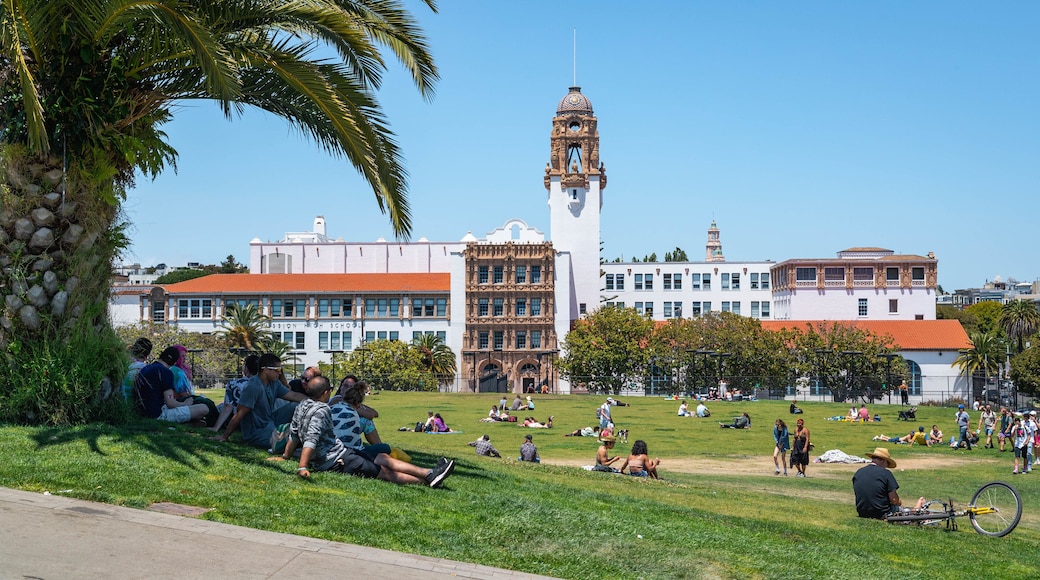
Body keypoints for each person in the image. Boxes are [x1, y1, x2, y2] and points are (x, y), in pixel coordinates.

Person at [271, 376, 455, 487]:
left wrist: (287, 455)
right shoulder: (322, 410)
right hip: (337, 460)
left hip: (344, 452)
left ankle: (429, 473)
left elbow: (294, 433)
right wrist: (302, 466)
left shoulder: (302, 405)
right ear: (327, 392)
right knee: (383, 471)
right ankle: (427, 480)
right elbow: (311, 438)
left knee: (382, 457)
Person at [216, 353, 306, 448]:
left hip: (270, 421)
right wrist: (224, 437)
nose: (280, 373)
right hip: (256, 432)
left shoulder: (274, 383)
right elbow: (239, 414)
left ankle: (290, 434)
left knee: (297, 405)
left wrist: (315, 402)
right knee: (288, 441)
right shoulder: (253, 387)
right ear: (266, 370)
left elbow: (294, 395)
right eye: (277, 370)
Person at [133, 346, 213, 424]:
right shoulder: (166, 372)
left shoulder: (146, 368)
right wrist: (185, 404)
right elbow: (170, 402)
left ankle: (193, 421)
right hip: (158, 415)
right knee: (204, 408)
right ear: (174, 362)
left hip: (142, 412)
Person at [852, 447, 925, 519]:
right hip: (881, 512)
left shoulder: (859, 472)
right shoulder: (886, 473)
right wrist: (899, 502)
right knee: (903, 510)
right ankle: (917, 508)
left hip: (862, 512)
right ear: (884, 461)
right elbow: (894, 500)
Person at [330, 379, 391, 460]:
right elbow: (370, 415)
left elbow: (374, 413)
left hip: (332, 448)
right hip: (349, 453)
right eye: (345, 385)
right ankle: (380, 449)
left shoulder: (334, 407)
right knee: (385, 448)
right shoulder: (353, 412)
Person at [211, 354, 258, 432]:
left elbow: (228, 407)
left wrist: (216, 427)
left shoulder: (234, 384)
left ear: (246, 368)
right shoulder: (266, 384)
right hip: (259, 422)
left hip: (237, 423)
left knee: (219, 407)